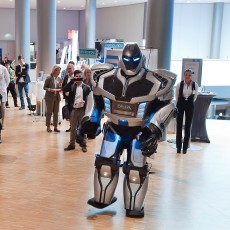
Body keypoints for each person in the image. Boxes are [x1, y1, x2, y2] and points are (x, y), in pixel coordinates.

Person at [81, 43, 177, 218]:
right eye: (126, 59)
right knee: (105, 165)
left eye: (133, 59)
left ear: (141, 59)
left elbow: (168, 106)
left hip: (139, 131)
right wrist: (91, 119)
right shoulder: (103, 76)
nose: (130, 63)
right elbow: (96, 100)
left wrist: (154, 127)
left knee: (136, 171)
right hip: (114, 128)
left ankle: (133, 206)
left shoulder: (157, 80)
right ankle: (102, 199)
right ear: (120, 59)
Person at [63, 70, 92, 152]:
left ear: (82, 77)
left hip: (83, 110)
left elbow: (90, 100)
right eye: (77, 77)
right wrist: (72, 81)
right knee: (73, 128)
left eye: (80, 76)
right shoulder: (72, 86)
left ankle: (84, 145)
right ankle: (72, 144)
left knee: (83, 128)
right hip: (74, 110)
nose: (78, 78)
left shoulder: (87, 87)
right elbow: (64, 89)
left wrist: (86, 103)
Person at [175, 68, 198, 154]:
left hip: (189, 105)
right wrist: (181, 102)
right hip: (180, 104)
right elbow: (176, 96)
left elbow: (195, 96)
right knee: (179, 126)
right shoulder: (179, 84)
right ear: (184, 75)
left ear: (191, 76)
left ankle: (185, 148)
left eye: (189, 75)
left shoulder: (195, 85)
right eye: (186, 75)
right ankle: (178, 147)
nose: (187, 76)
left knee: (188, 127)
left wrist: (189, 101)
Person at [43, 65, 62, 133]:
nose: (59, 72)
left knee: (56, 112)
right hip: (49, 97)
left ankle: (55, 127)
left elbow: (60, 87)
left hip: (57, 97)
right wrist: (49, 89)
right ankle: (48, 127)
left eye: (59, 71)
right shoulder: (49, 78)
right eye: (58, 70)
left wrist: (60, 86)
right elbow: (44, 87)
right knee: (49, 112)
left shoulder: (59, 79)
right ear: (54, 71)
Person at [61, 63, 75, 132]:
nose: (68, 70)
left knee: (74, 113)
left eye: (70, 68)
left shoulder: (75, 77)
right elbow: (63, 86)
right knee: (69, 113)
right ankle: (71, 126)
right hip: (67, 98)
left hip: (73, 98)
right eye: (67, 68)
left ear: (73, 69)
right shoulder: (66, 77)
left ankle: (75, 127)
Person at [0, 63, 10, 129]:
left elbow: (8, 80)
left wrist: (4, 87)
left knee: (3, 107)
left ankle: (2, 123)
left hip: (2, 90)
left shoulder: (3, 68)